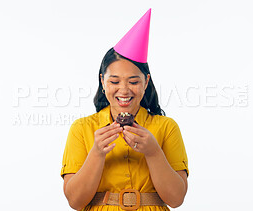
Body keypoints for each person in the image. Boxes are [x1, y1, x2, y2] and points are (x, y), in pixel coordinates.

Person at [61, 9, 188, 211]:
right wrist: (97, 152)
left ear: (146, 82)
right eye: (114, 81)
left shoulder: (166, 127)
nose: (124, 90)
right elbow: (75, 202)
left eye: (133, 81)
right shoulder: (82, 129)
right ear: (102, 81)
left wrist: (153, 152)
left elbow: (176, 199)